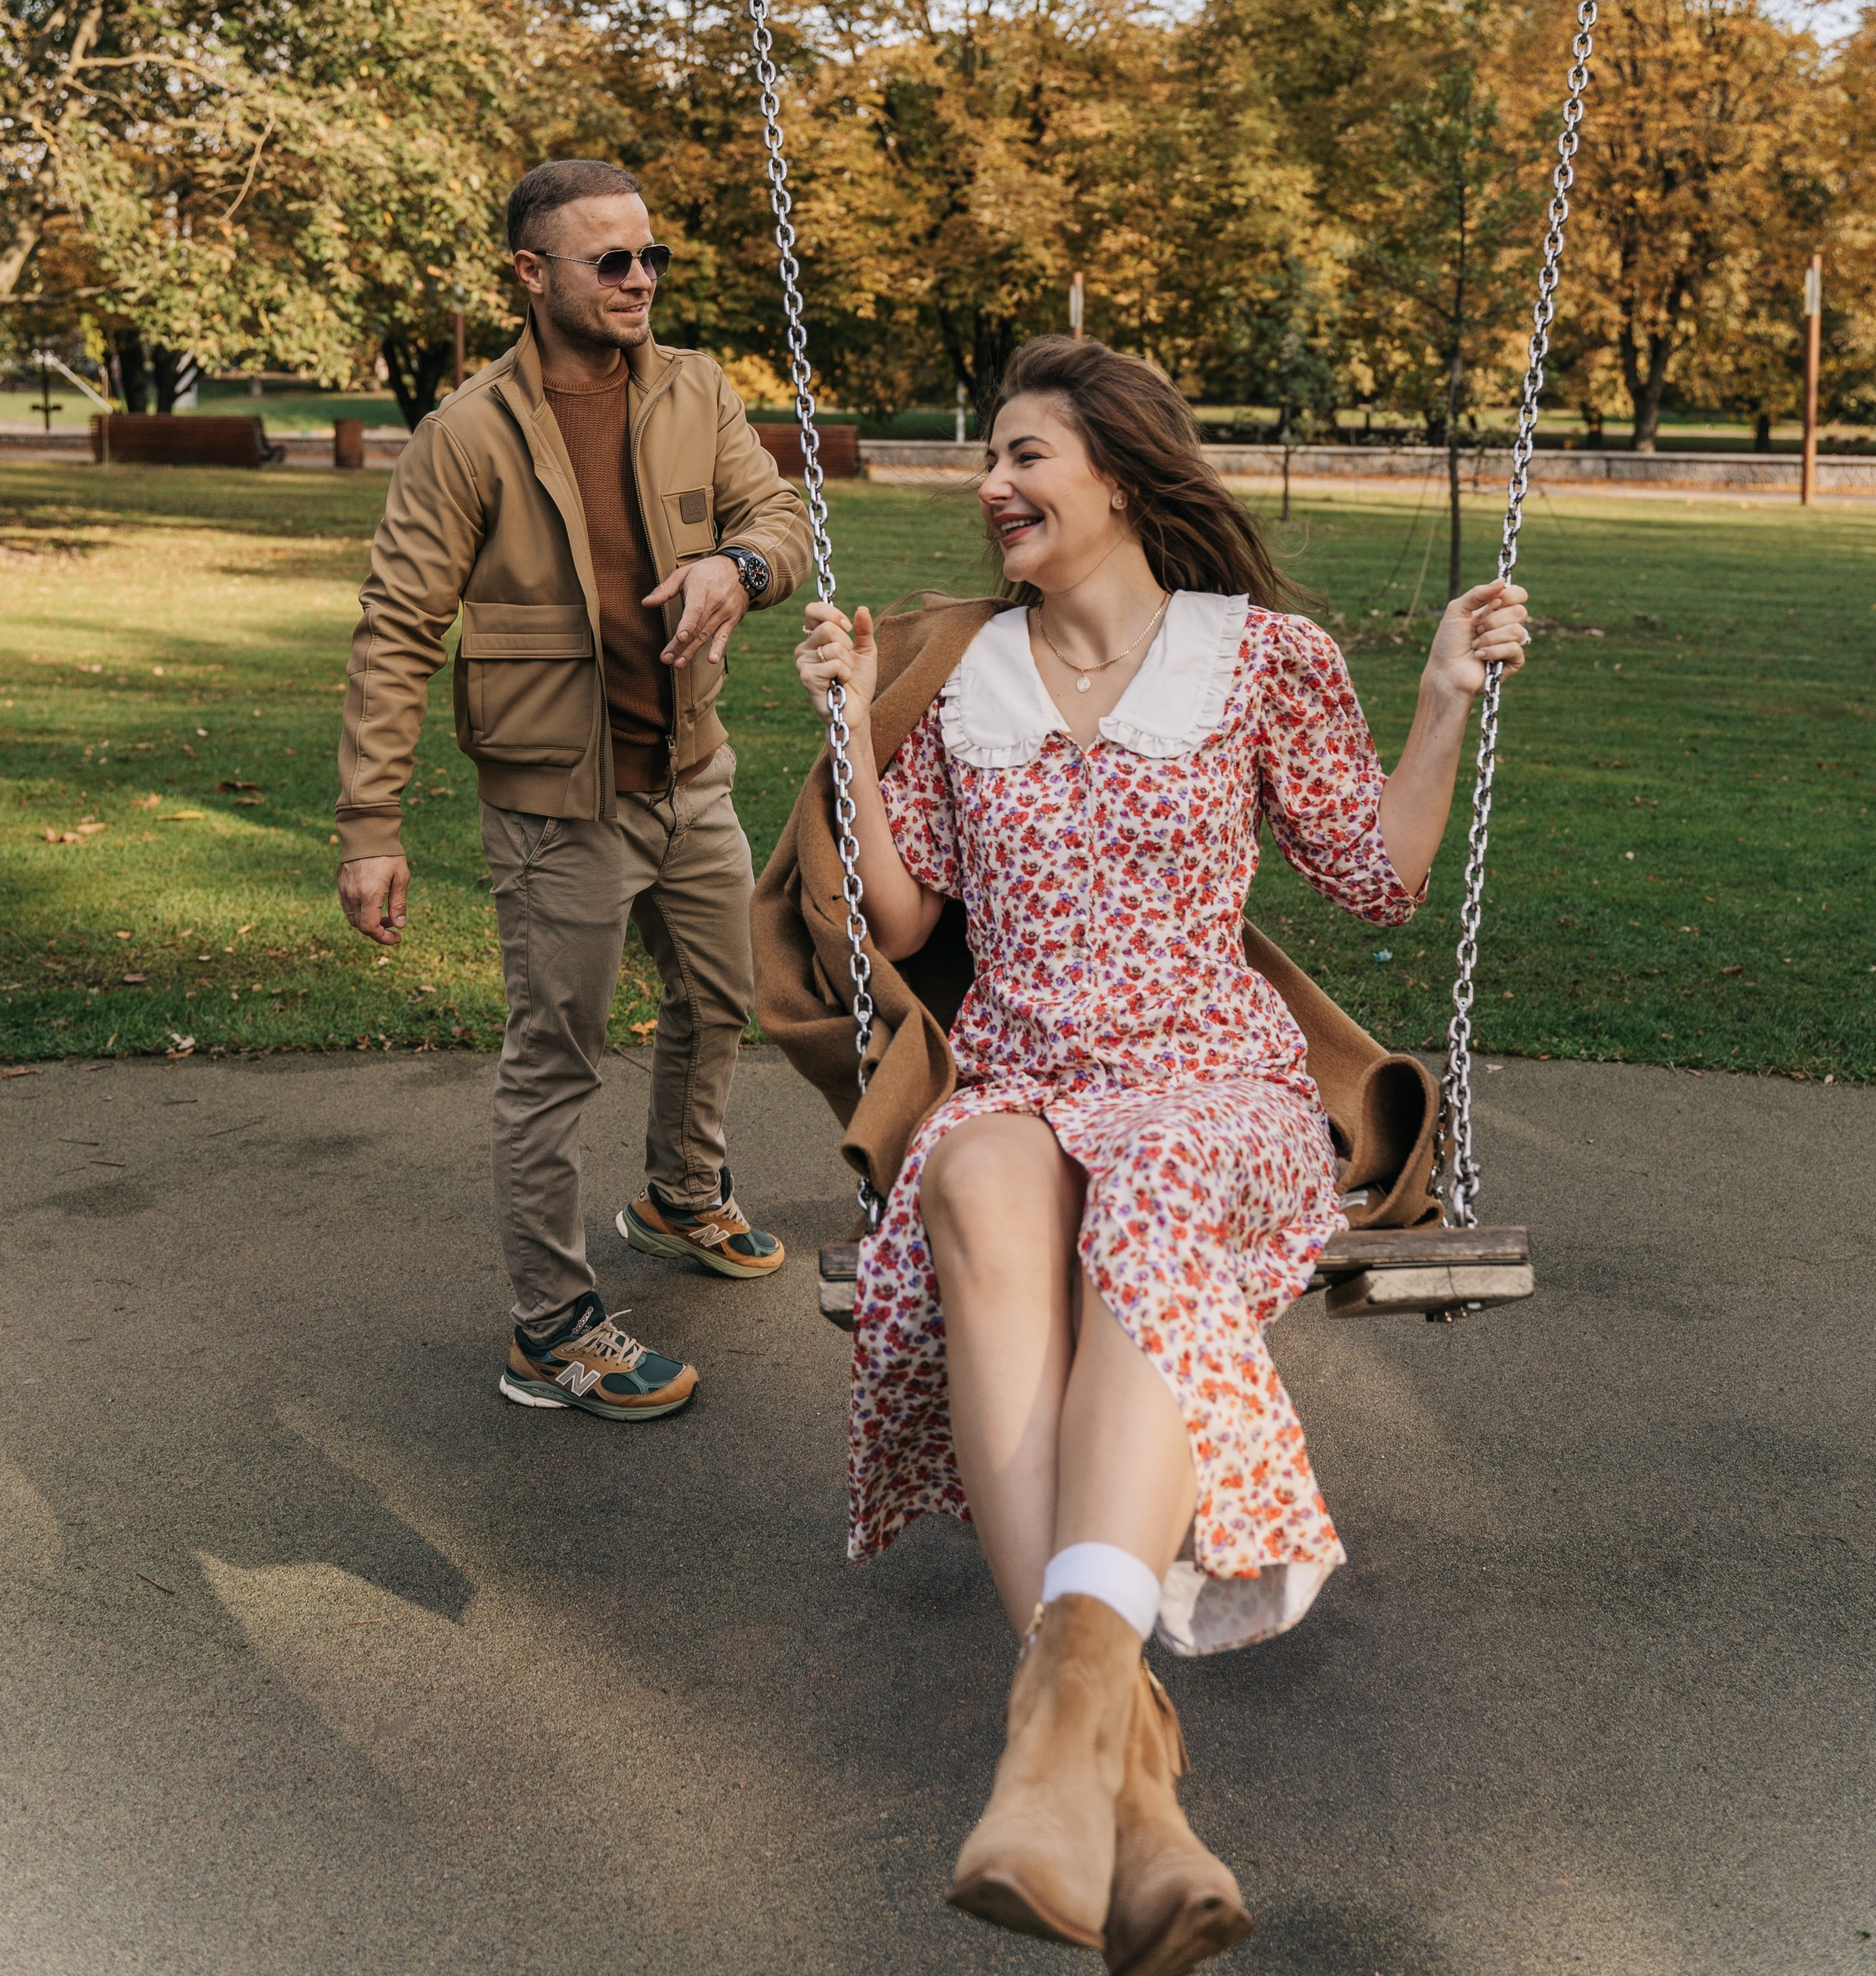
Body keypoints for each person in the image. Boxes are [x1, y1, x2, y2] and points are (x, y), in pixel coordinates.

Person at [795, 336, 1529, 1971]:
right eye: (987, 459)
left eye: (1024, 455)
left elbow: (1376, 878)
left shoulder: (1257, 658)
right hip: (1027, 1069)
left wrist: (1437, 702)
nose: (990, 485)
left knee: (1152, 1186)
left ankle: (1065, 1740)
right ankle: (1129, 1788)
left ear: (1117, 474)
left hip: (1212, 1085)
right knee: (975, 1180)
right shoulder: (964, 676)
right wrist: (849, 725)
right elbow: (903, 920)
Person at [336, 158, 809, 1422]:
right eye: (611, 261)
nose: (640, 279)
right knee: (556, 1062)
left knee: (724, 997)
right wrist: (369, 823)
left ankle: (677, 1195)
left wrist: (740, 567)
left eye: (650, 257)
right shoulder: (468, 435)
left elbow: (778, 510)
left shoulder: (693, 387)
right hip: (558, 803)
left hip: (690, 776)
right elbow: (396, 629)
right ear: (531, 274)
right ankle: (552, 1328)